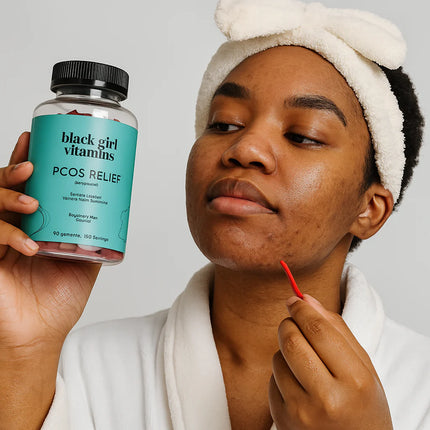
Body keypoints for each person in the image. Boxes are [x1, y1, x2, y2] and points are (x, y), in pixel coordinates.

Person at [1, 0, 429, 429]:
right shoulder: (75, 367)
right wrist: (21, 351)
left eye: (303, 135)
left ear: (370, 209)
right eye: (224, 124)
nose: (245, 149)